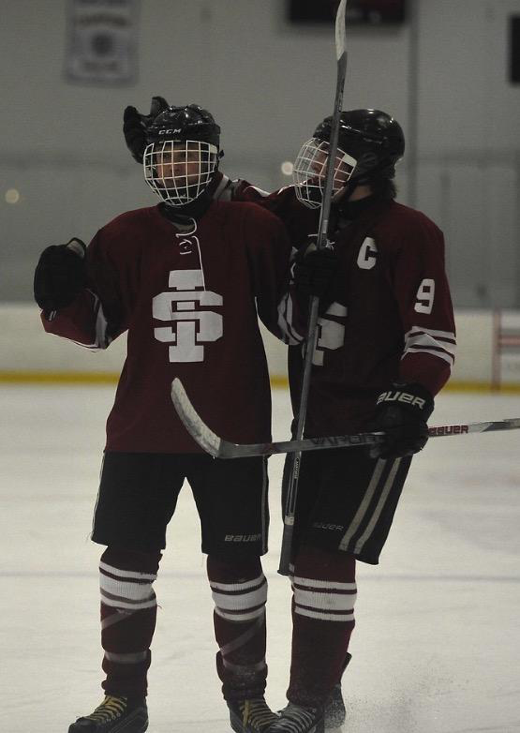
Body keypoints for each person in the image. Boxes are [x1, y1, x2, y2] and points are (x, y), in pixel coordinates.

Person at [33, 103, 294, 733]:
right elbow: (95, 327)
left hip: (233, 434)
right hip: (141, 430)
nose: (176, 167)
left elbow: (292, 324)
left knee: (235, 569)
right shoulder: (123, 234)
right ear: (147, 165)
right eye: (164, 156)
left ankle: (247, 701)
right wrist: (61, 296)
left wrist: (309, 286)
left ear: (215, 161)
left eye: (189, 154)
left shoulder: (253, 227)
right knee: (125, 563)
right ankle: (124, 698)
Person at [268, 109, 456, 733]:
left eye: (335, 161)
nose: (318, 169)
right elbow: (290, 325)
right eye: (317, 154)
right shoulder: (306, 221)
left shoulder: (410, 231)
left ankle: (308, 702)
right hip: (307, 423)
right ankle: (324, 689)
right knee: (305, 561)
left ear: (370, 171)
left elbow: (432, 336)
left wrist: (411, 395)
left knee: (327, 555)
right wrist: (300, 284)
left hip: (369, 428)